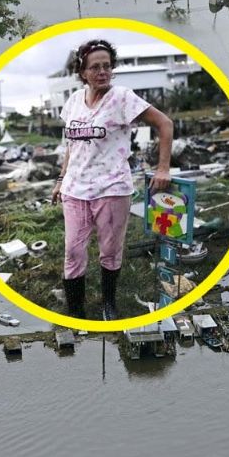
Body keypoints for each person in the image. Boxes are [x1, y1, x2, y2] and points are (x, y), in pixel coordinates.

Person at [51, 39, 174, 321]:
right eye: (95, 67)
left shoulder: (122, 97)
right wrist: (60, 179)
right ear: (82, 72)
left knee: (109, 251)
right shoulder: (72, 102)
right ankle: (76, 310)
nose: (102, 72)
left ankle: (109, 303)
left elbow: (164, 124)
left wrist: (163, 168)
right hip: (75, 190)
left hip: (112, 188)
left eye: (107, 66)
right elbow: (72, 145)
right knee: (72, 251)